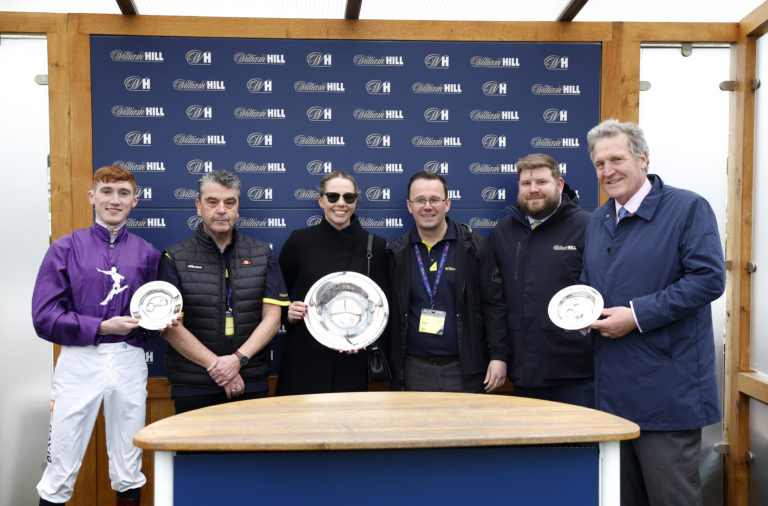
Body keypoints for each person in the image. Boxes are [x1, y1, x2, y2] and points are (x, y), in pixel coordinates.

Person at [581, 119, 724, 506]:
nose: (608, 171)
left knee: (671, 499)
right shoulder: (597, 220)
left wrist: (635, 314)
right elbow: (590, 286)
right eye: (599, 163)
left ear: (643, 159)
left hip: (667, 394)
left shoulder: (688, 208)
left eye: (617, 159)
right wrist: (580, 318)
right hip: (613, 395)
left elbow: (708, 280)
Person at [32, 165, 161, 506]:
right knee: (60, 463)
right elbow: (44, 318)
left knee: (128, 463)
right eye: (106, 192)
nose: (114, 200)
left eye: (122, 193)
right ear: (92, 197)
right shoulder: (64, 248)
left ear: (136, 200)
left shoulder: (148, 253)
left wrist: (160, 322)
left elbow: (152, 317)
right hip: (79, 359)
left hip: (128, 359)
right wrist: (101, 326)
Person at [159, 170, 290, 413]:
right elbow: (170, 328)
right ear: (199, 206)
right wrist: (221, 368)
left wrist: (237, 360)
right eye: (213, 202)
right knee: (193, 452)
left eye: (229, 202)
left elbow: (273, 319)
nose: (222, 209)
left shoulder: (262, 253)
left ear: (237, 208)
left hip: (250, 382)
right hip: (194, 385)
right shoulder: (174, 257)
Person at [386, 170, 508, 393]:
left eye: (435, 199)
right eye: (420, 200)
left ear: (447, 203)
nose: (428, 206)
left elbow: (494, 307)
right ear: (409, 205)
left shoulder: (474, 247)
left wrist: (499, 356)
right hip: (412, 370)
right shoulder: (396, 252)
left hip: (464, 369)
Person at [489, 153, 593, 407]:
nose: (533, 190)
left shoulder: (588, 227)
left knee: (578, 445)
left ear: (559, 184)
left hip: (577, 374)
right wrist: (499, 354)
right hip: (524, 373)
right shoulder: (503, 231)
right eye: (526, 184)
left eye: (541, 182)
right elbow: (494, 301)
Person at [275, 170, 389, 395]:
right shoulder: (299, 241)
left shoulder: (374, 245)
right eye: (333, 196)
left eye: (349, 197)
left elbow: (383, 307)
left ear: (356, 200)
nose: (341, 203)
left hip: (352, 356)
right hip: (305, 354)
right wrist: (288, 312)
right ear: (321, 200)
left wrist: (367, 337)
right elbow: (277, 296)